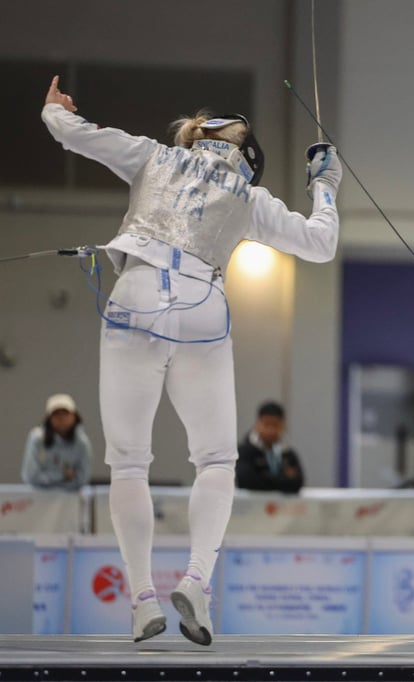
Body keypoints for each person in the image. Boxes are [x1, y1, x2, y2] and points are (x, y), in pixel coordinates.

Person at [41, 76, 341, 645]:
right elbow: (321, 243)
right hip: (204, 306)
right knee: (216, 461)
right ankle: (198, 581)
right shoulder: (250, 197)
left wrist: (54, 110)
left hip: (135, 298)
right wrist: (324, 184)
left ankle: (140, 602)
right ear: (247, 155)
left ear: (196, 138)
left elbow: (74, 132)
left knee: (129, 463)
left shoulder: (154, 156)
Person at [21, 393, 92, 491]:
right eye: (56, 414)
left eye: (65, 413)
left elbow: (82, 479)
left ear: (74, 416)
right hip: (40, 499)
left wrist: (48, 478)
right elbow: (31, 476)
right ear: (49, 418)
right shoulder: (37, 439)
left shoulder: (82, 443)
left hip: (70, 501)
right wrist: (63, 475)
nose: (61, 418)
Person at [236, 401, 304, 494]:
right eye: (266, 424)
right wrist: (282, 480)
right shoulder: (244, 451)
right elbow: (247, 481)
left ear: (282, 425)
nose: (270, 430)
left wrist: (263, 476)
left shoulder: (288, 453)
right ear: (257, 424)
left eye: (275, 425)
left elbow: (296, 484)